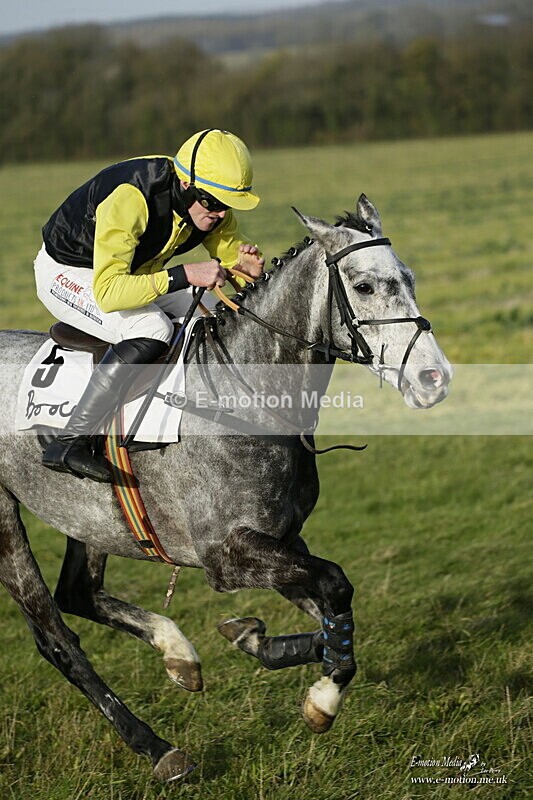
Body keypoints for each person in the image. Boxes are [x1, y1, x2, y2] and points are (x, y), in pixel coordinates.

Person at [35, 128, 265, 483]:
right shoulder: (132, 198)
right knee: (152, 328)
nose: (220, 214)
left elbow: (231, 250)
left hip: (134, 271)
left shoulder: (205, 203)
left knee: (211, 308)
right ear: (186, 184)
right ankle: (70, 441)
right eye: (213, 203)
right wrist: (184, 274)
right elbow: (111, 292)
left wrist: (247, 268)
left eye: (227, 205)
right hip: (72, 272)